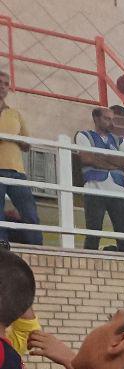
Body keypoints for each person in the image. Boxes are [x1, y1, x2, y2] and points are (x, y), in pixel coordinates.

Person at [76, 107, 124, 253]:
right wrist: (114, 160)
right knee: (93, 232)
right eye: (107, 119)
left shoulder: (119, 140)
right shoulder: (83, 135)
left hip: (118, 192)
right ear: (96, 119)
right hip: (94, 190)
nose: (111, 123)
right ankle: (89, 262)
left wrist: (100, 157)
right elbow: (87, 158)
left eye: (112, 119)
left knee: (123, 234)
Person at [0, 70, 40, 245]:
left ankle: (37, 248)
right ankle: (2, 248)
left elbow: (27, 144)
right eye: (0, 82)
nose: (3, 87)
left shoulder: (14, 113)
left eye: (6, 84)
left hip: (17, 171)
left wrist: (12, 138)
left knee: (29, 212)